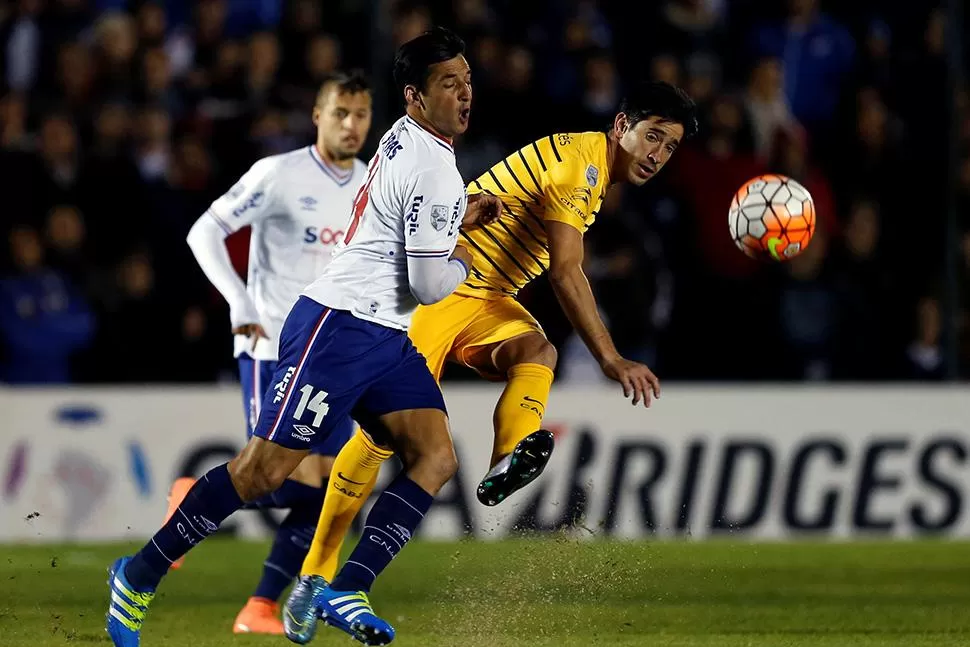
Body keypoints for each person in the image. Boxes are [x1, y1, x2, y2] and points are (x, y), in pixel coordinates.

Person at [105, 26, 498, 647]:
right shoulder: (432, 166)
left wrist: (453, 217)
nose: (465, 94)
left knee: (435, 457)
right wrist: (466, 258)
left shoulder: (404, 141)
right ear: (416, 98)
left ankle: (347, 587)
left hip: (382, 336)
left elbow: (401, 219)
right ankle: (139, 574)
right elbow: (428, 285)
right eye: (449, 84)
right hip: (339, 326)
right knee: (263, 474)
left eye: (468, 82)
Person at [285, 80, 699, 641]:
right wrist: (610, 357)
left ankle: (507, 458)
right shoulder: (583, 166)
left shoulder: (592, 169)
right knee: (382, 437)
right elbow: (565, 271)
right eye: (652, 137)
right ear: (622, 126)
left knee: (537, 349)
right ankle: (315, 575)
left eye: (669, 147)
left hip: (484, 297)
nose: (656, 155)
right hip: (437, 292)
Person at [166, 70, 372, 635]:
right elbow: (203, 231)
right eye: (340, 114)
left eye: (360, 115)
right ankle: (192, 501)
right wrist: (239, 301)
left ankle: (259, 607)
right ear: (317, 115)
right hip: (271, 344)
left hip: (334, 354)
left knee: (332, 490)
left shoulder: (371, 186)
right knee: (269, 473)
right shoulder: (279, 174)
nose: (351, 126)